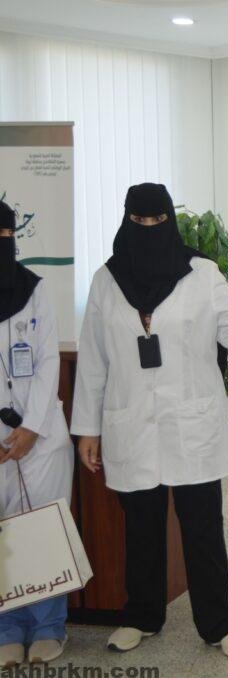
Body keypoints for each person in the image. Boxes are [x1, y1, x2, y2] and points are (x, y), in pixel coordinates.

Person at [70, 183, 228, 658]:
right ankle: (142, 616)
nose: (149, 229)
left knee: (203, 526)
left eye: (157, 221)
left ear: (169, 220)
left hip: (192, 424)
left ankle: (218, 623)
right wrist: (88, 428)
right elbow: (94, 359)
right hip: (133, 424)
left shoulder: (201, 273)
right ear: (126, 220)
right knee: (141, 527)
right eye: (139, 221)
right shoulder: (106, 281)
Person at [0, 200, 75, 666]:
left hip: (40, 437)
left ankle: (49, 626)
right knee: (4, 538)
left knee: (43, 529)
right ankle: (7, 628)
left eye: (4, 236)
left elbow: (49, 362)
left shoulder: (36, 291)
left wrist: (30, 428)